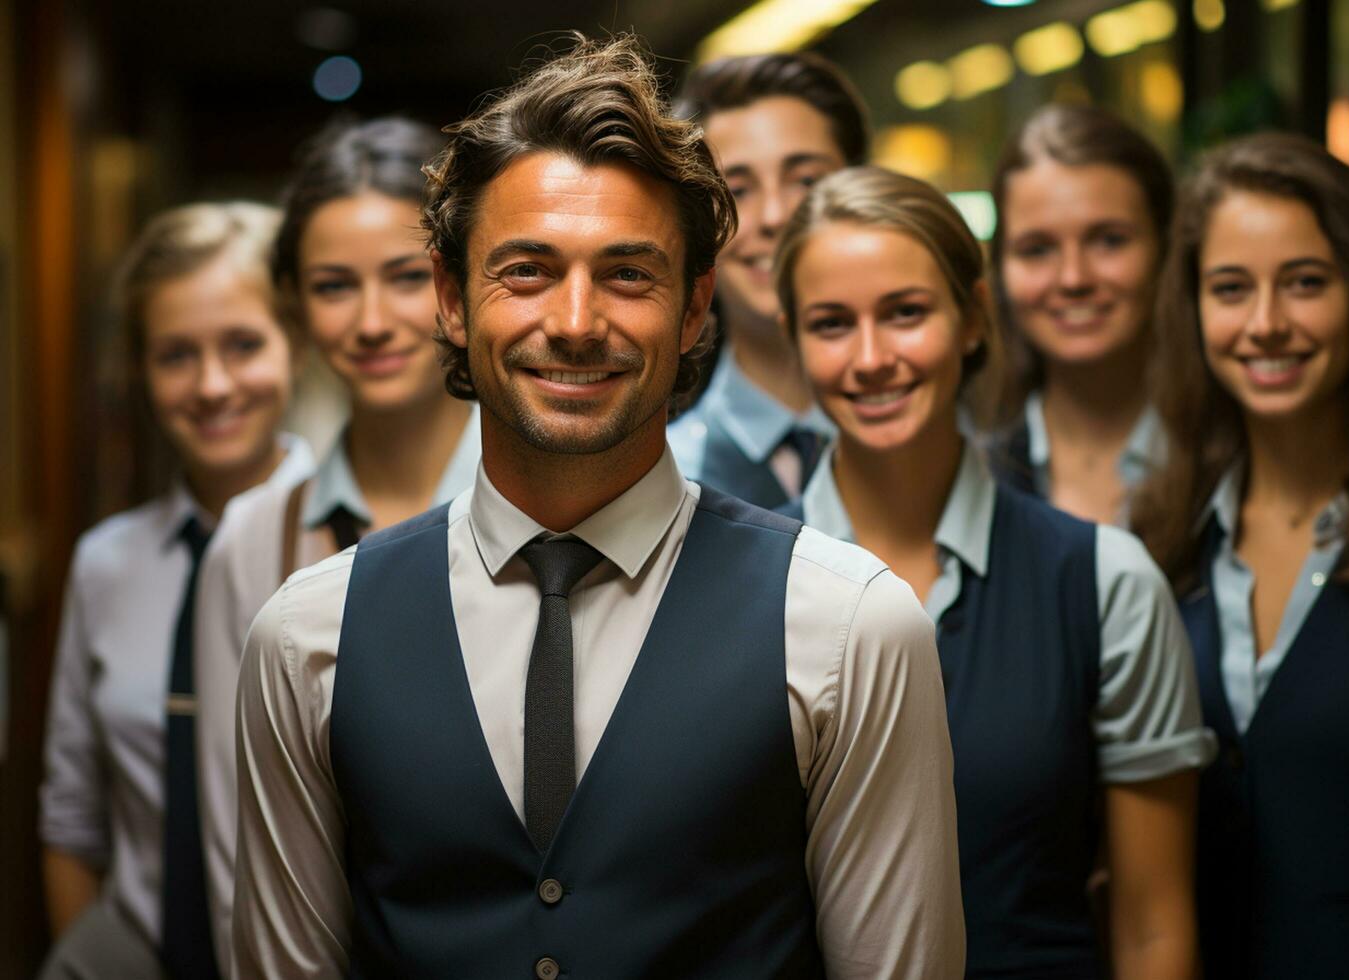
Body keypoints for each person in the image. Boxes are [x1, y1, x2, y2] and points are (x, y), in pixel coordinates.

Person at [230, 35, 965, 979]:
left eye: (628, 274)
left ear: (696, 305)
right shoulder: (307, 636)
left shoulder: (849, 625)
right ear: (452, 300)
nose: (576, 324)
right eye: (526, 271)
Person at [775, 166, 1214, 978]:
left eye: (906, 314)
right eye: (832, 323)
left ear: (973, 318)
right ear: (795, 341)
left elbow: (1153, 928)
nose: (872, 359)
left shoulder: (1102, 582)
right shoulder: (742, 580)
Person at [1132, 133, 1349, 979]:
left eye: (1306, 283)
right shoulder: (1158, 541)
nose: (1267, 324)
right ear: (1194, 310)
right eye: (1231, 289)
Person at [192, 117, 481, 966]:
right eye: (331, 286)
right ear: (291, 302)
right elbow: (234, 831)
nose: (372, 321)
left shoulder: (554, 509)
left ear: (459, 280)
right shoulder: (259, 534)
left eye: (403, 277)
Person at [38, 202, 312, 980]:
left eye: (243, 345)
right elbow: (71, 811)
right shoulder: (105, 563)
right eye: (175, 355)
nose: (213, 384)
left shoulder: (356, 547)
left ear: (294, 343)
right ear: (141, 369)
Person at [666, 52, 870, 508]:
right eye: (736, 189)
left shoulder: (950, 445)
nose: (776, 216)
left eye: (806, 181)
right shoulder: (668, 479)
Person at [984, 104, 1174, 525]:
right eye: (1037, 249)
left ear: (1165, 248)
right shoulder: (970, 471)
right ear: (999, 268)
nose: (1074, 278)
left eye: (1109, 240)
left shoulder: (1235, 458)